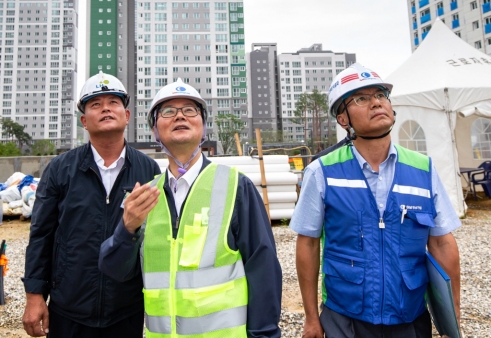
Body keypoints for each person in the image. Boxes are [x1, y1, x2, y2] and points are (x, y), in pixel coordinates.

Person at [99, 78, 282, 338]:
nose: (179, 116)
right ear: (154, 130)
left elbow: (263, 268)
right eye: (168, 111)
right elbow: (115, 270)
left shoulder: (235, 186)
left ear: (203, 125)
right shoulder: (144, 196)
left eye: (190, 110)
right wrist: (126, 229)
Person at [290, 63, 461, 338]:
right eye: (362, 98)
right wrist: (311, 318)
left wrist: (452, 318)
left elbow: (442, 242)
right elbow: (307, 243)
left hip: (410, 318)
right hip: (344, 319)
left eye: (381, 95)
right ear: (343, 119)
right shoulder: (322, 172)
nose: (376, 103)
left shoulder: (423, 170)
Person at [22, 71, 161, 338]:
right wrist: (34, 295)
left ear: (127, 115)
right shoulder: (60, 169)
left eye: (113, 102)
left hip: (126, 308)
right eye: (96, 104)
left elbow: (154, 239)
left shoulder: (148, 169)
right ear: (84, 121)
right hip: (69, 308)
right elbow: (41, 235)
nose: (106, 108)